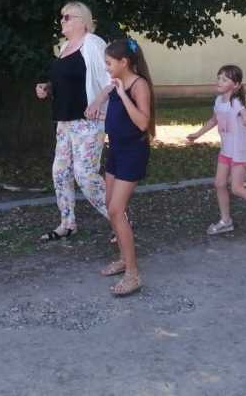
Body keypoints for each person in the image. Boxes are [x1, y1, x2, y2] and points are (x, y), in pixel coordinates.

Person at [35, 1, 110, 241]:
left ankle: (119, 219)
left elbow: (113, 79)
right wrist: (47, 87)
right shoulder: (65, 47)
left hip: (88, 121)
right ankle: (67, 223)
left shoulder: (93, 43)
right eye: (61, 16)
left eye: (67, 17)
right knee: (60, 172)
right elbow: (66, 82)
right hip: (65, 121)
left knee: (85, 174)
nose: (62, 20)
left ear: (82, 21)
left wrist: (98, 102)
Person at [87, 38, 154, 296]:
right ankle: (124, 259)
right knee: (110, 204)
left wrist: (123, 95)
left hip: (132, 153)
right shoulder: (117, 83)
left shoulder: (138, 85)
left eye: (109, 63)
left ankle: (133, 274)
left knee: (116, 209)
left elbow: (142, 123)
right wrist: (99, 102)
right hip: (116, 149)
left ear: (124, 62)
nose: (106, 68)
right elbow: (111, 107)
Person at [186, 65, 246, 236]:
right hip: (226, 151)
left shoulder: (236, 103)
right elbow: (213, 120)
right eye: (219, 77)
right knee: (219, 184)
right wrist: (197, 134)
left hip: (239, 152)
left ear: (236, 85)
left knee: (237, 188)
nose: (219, 81)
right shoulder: (219, 101)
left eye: (225, 79)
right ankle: (226, 221)